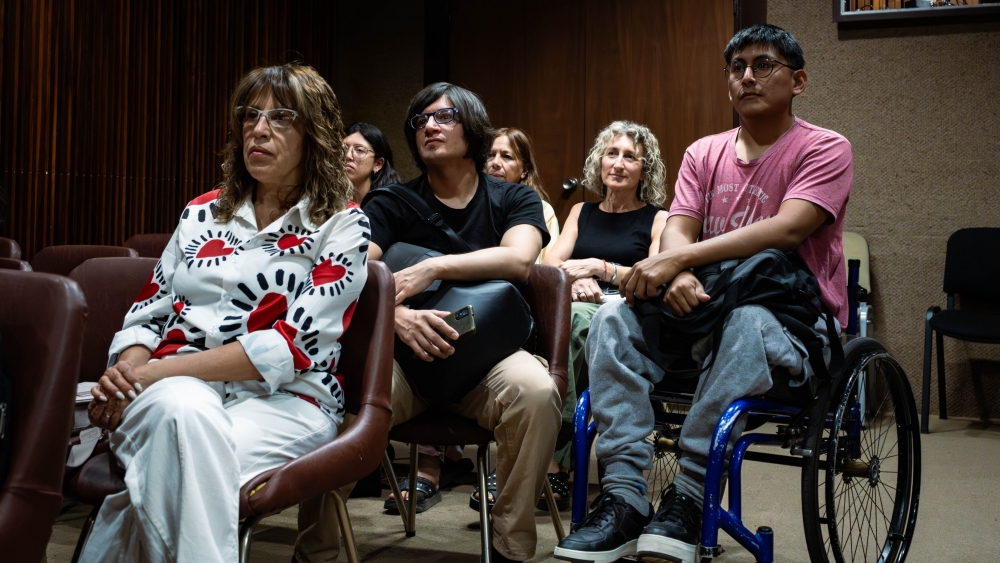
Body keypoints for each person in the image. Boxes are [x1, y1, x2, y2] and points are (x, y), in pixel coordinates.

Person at [554, 24, 852, 563]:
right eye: (737, 68)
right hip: (704, 311)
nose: (747, 77)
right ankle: (623, 497)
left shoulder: (825, 147)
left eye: (763, 65)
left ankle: (690, 494)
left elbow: (788, 229)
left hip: (793, 324)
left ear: (798, 81)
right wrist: (677, 271)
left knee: (746, 321)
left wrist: (680, 261)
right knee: (612, 319)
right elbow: (680, 228)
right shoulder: (703, 152)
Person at [79, 63, 369, 563]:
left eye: (281, 117)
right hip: (168, 391)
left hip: (286, 402)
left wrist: (151, 376)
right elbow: (148, 314)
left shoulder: (342, 224)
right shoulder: (201, 212)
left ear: (315, 135)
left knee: (175, 458)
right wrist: (127, 376)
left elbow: (290, 346)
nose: (259, 129)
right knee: (183, 416)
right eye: (250, 115)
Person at [364, 82, 561, 563]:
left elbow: (519, 260)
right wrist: (396, 315)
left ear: (472, 127)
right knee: (336, 394)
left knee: (536, 392)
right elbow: (354, 272)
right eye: (420, 120)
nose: (429, 126)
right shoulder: (390, 203)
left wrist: (434, 267)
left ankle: (511, 546)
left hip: (487, 362)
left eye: (444, 116)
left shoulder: (515, 198)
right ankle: (319, 551)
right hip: (407, 361)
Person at [540, 120, 668, 510]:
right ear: (600, 161)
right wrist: (577, 280)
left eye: (630, 157)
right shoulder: (581, 211)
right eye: (612, 153)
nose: (618, 163)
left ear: (645, 170)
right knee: (563, 320)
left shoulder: (658, 219)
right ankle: (549, 450)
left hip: (628, 311)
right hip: (578, 302)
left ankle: (554, 456)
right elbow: (550, 262)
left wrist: (600, 268)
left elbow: (655, 274)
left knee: (577, 322)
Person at [486, 127, 560, 263]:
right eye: (490, 155)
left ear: (524, 170)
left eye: (506, 156)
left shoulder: (543, 209)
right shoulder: (469, 201)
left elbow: (548, 266)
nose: (495, 163)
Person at [343, 121, 402, 203]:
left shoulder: (389, 205)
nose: (347, 155)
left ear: (378, 164)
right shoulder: (327, 202)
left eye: (359, 150)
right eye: (343, 148)